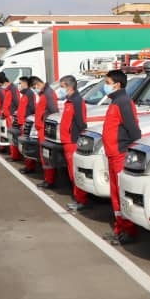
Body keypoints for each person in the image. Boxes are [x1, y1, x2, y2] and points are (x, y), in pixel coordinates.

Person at [102, 69, 142, 244]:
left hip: (119, 154)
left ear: (117, 84)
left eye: (107, 82)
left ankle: (128, 230)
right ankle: (120, 228)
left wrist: (128, 150)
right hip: (112, 154)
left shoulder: (123, 102)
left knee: (121, 193)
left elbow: (133, 130)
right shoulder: (115, 101)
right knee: (115, 194)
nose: (105, 86)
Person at [58, 75, 89, 211]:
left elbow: (81, 122)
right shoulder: (70, 101)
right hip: (67, 140)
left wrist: (77, 137)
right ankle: (78, 198)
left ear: (68, 86)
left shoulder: (77, 101)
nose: (60, 90)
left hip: (72, 141)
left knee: (75, 172)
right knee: (71, 172)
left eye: (62, 87)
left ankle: (80, 200)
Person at [28, 76, 60, 189]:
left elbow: (54, 111)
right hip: (41, 128)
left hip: (45, 129)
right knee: (44, 155)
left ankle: (50, 180)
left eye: (33, 87)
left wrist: (44, 119)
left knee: (46, 156)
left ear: (36, 84)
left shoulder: (48, 93)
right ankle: (47, 178)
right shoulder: (44, 93)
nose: (34, 90)